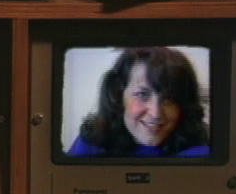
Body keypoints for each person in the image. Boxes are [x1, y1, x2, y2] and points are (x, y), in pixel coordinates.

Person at [66, 47, 210, 157]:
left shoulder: (201, 152)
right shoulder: (92, 142)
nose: (156, 113)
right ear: (118, 95)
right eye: (142, 94)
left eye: (169, 99)